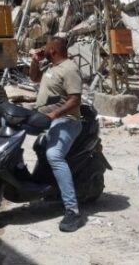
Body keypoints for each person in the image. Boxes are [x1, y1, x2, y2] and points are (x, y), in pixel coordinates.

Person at [29, 34, 87, 232]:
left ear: (52, 50)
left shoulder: (69, 68)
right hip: (43, 119)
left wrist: (54, 114)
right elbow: (34, 78)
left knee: (54, 155)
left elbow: (75, 100)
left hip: (66, 120)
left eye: (46, 46)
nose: (43, 48)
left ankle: (72, 210)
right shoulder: (51, 67)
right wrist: (35, 61)